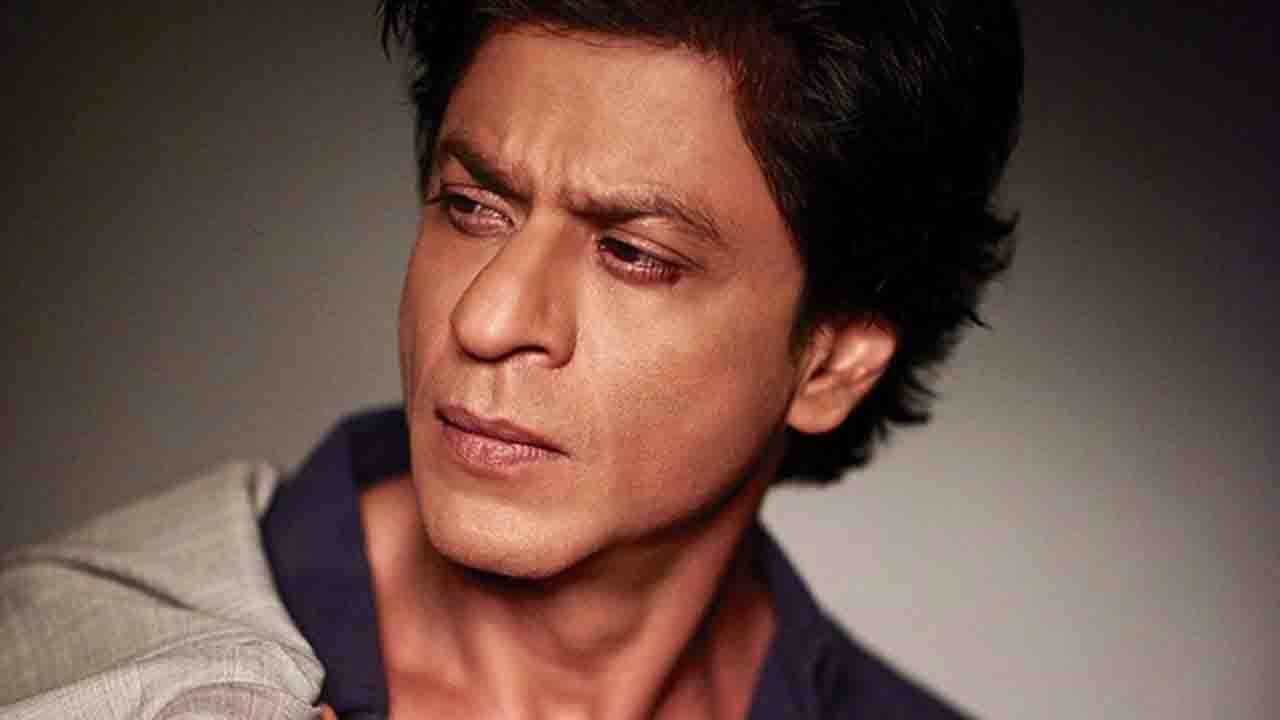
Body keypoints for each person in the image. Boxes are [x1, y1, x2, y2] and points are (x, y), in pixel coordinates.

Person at [0, 0, 1022, 717]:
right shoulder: (81, 666)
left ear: (830, 364)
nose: (487, 319)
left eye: (634, 254)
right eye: (471, 207)